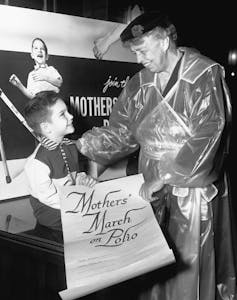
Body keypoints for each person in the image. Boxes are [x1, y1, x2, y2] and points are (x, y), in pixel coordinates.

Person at [76, 11, 236, 300]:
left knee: (188, 266)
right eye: (134, 52)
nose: (138, 60)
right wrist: (82, 146)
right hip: (149, 185)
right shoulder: (139, 83)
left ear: (163, 41)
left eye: (141, 50)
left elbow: (209, 132)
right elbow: (121, 131)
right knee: (151, 264)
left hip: (190, 189)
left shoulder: (203, 73)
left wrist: (163, 177)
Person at [23, 91, 97, 237]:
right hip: (53, 215)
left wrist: (81, 179)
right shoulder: (37, 163)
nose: (71, 116)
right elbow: (48, 198)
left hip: (71, 201)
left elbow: (71, 175)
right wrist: (77, 202)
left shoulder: (69, 146)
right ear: (46, 127)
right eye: (63, 114)